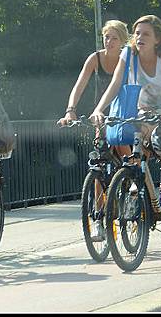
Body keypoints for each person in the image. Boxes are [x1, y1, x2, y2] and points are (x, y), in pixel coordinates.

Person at [90, 15, 161, 248]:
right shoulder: (128, 55)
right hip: (146, 111)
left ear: (157, 39)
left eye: (145, 34)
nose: (139, 38)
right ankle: (145, 199)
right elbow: (115, 84)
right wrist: (98, 109)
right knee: (136, 156)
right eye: (137, 33)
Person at [58, 20, 130, 242]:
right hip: (101, 115)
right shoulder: (95, 59)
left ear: (123, 41)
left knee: (123, 147)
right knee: (98, 163)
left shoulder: (127, 59)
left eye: (114, 38)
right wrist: (70, 110)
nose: (109, 42)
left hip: (126, 112)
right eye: (106, 37)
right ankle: (98, 219)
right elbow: (79, 85)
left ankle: (134, 190)